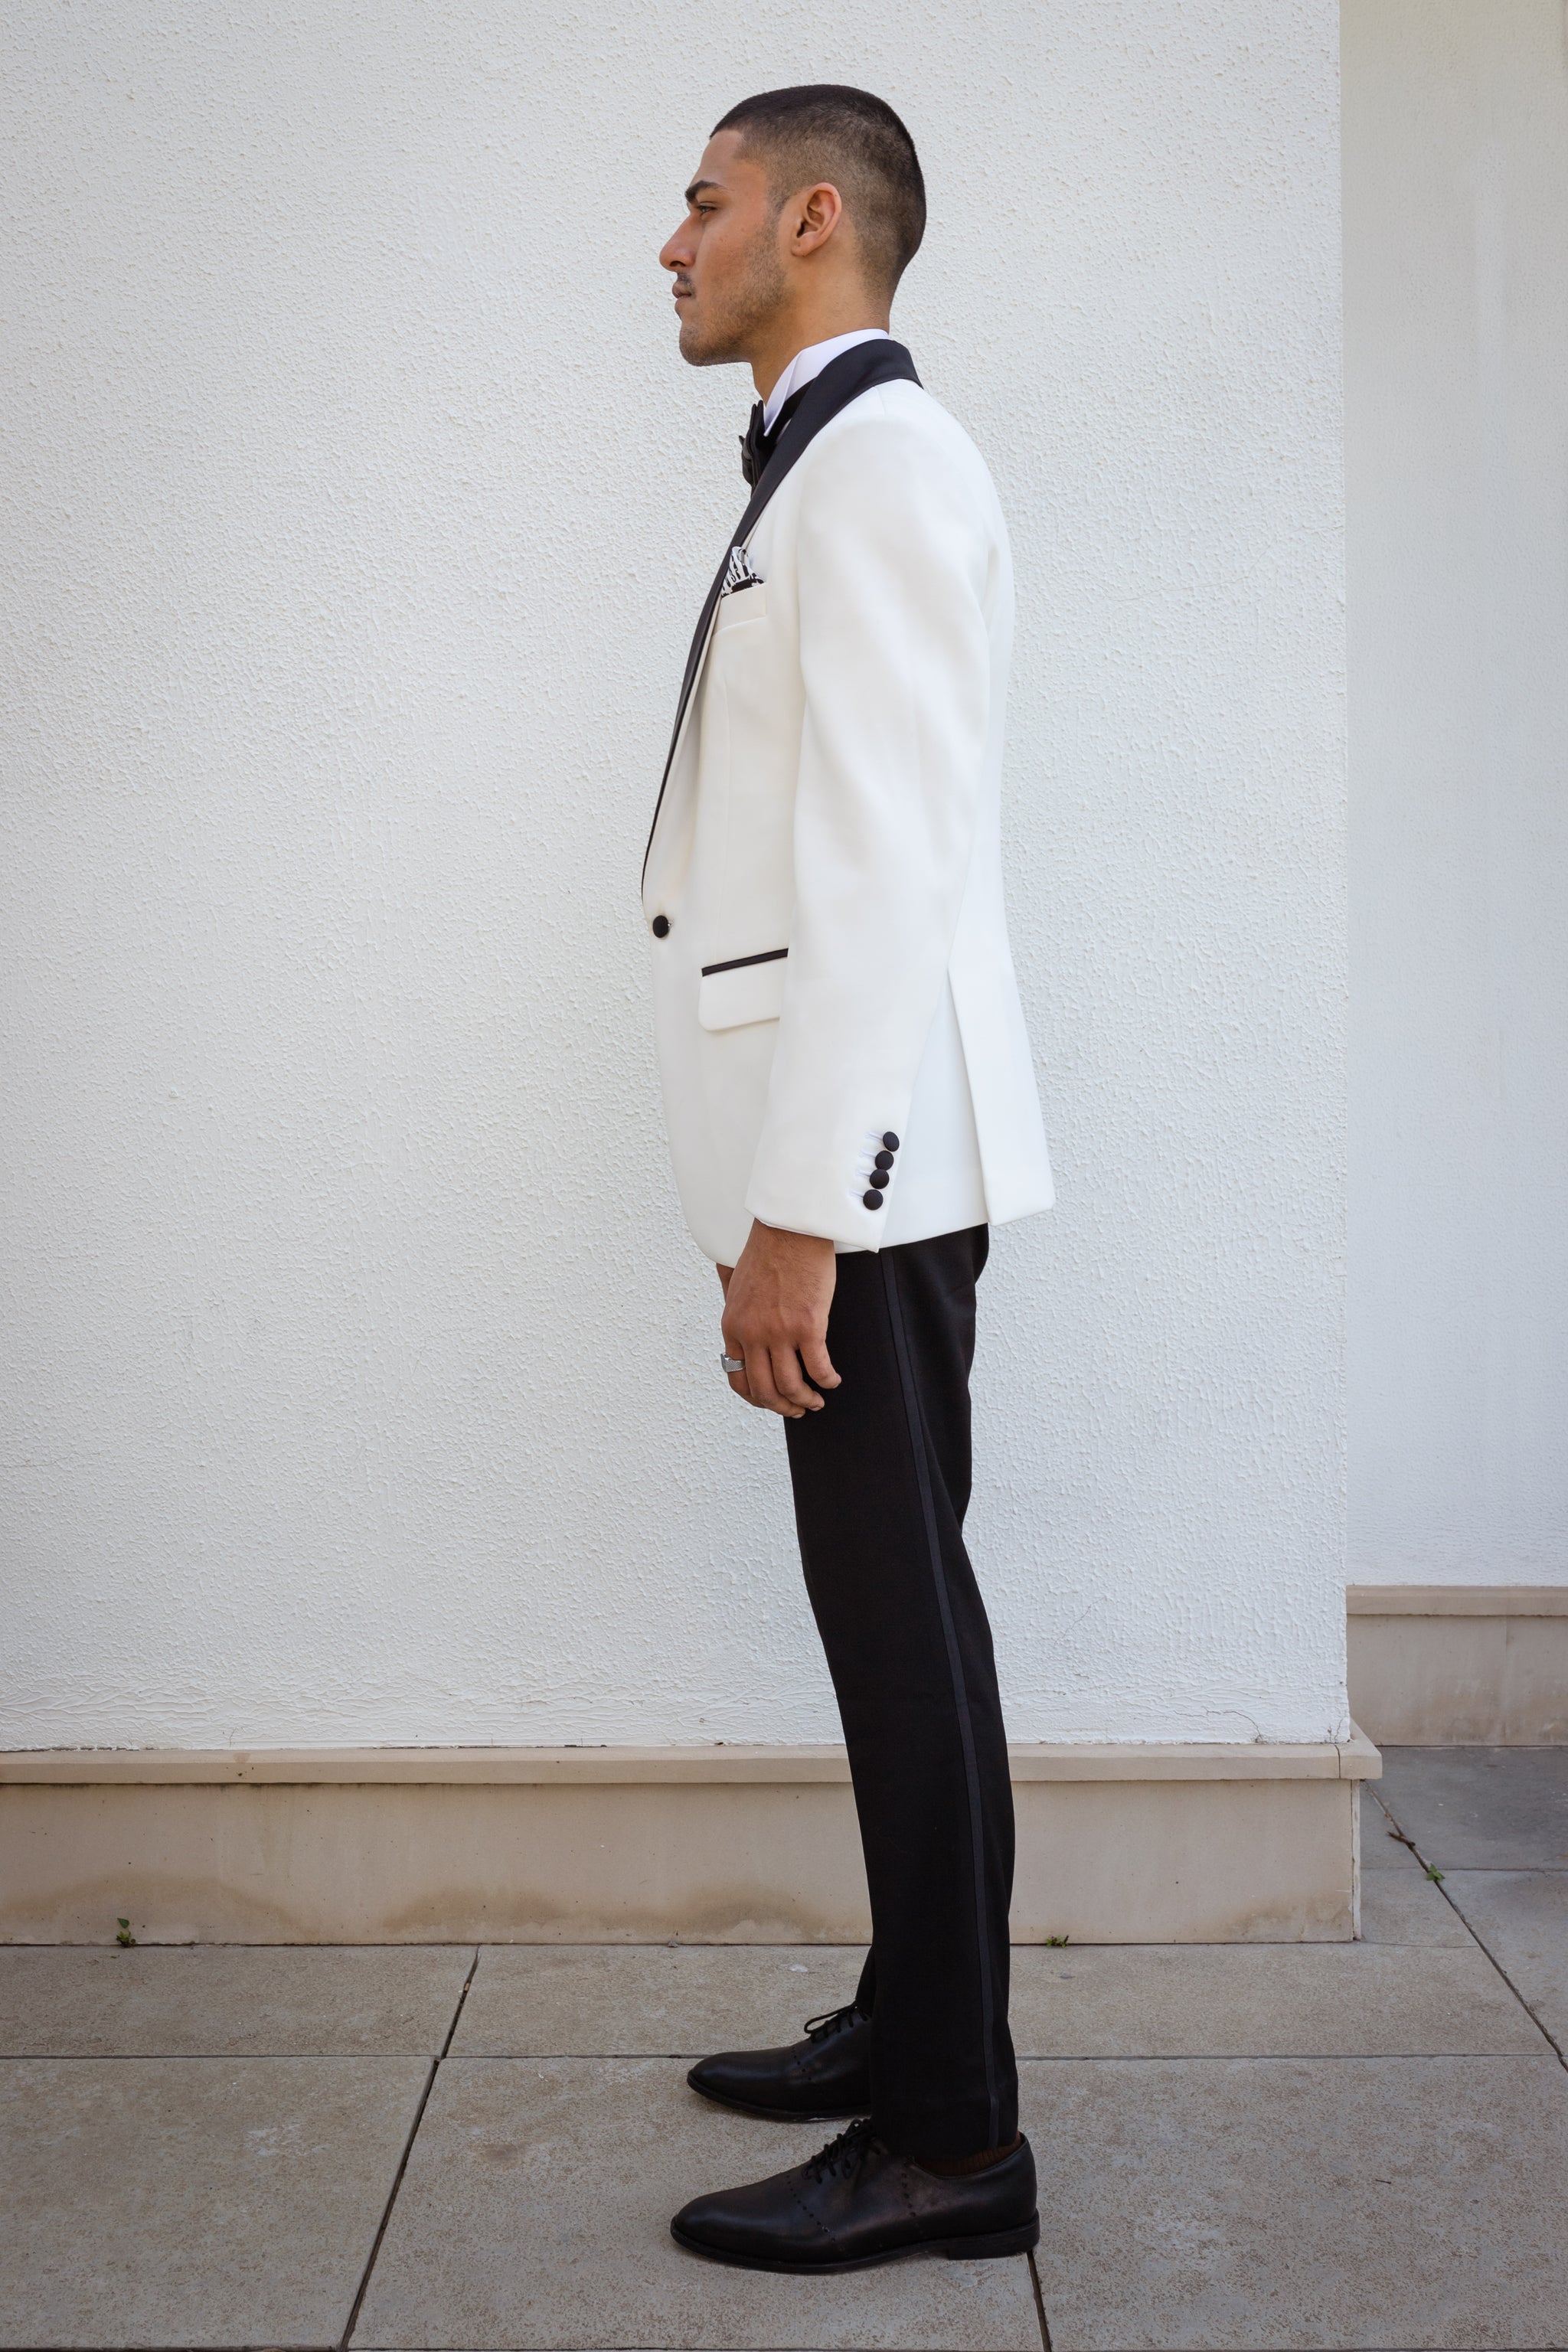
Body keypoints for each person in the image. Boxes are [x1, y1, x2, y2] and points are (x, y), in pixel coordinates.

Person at [645, 83, 1054, 2273]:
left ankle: (951, 2145)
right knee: (911, 1618)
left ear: (812, 220)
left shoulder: (879, 467)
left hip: (864, 1183)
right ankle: (918, 2023)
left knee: (900, 1635)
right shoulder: (843, 458)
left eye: (700, 199)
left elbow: (890, 867)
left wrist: (803, 1208)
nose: (669, 239)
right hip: (865, 1165)